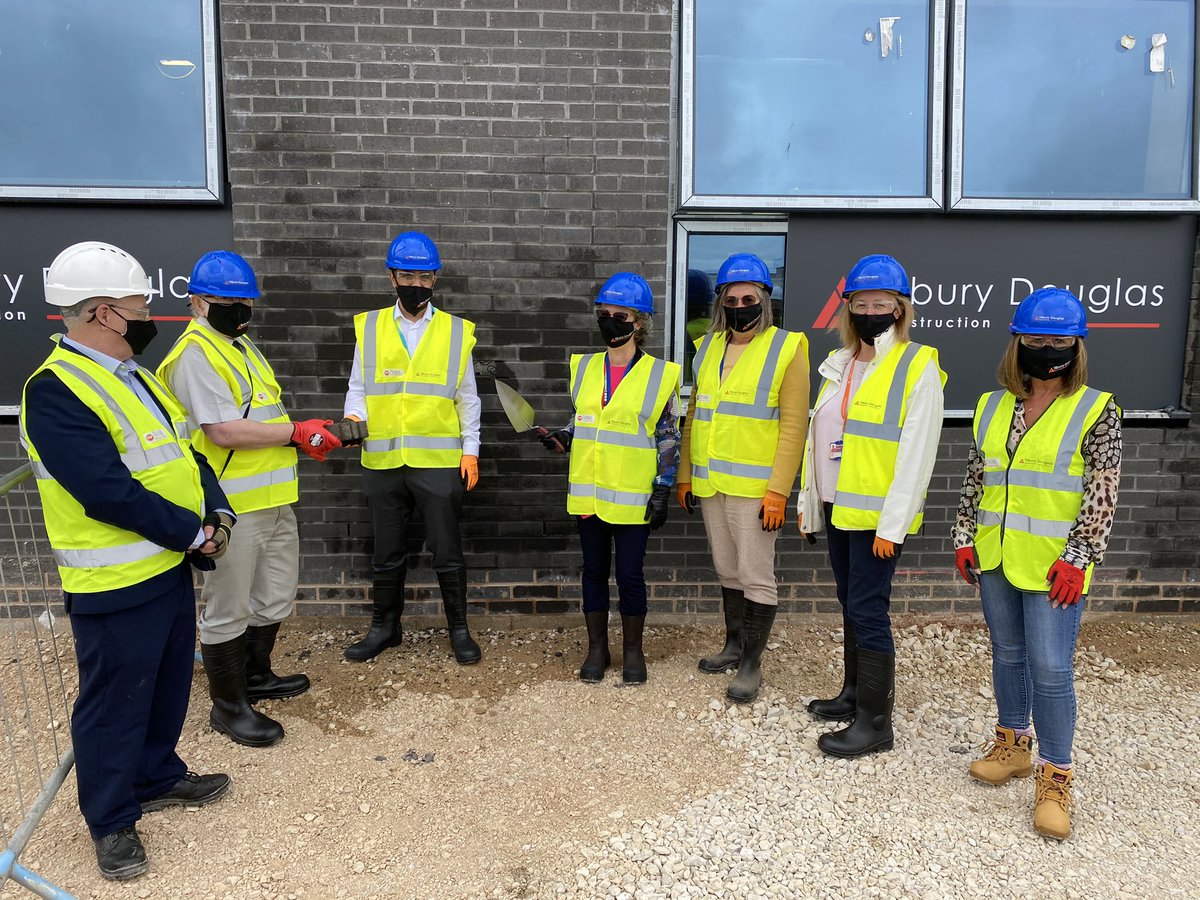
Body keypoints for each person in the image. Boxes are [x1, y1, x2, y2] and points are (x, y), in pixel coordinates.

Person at [20, 242, 232, 880]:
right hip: (114, 581)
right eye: (141, 305)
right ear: (107, 314)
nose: (150, 315)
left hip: (165, 567)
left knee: (165, 686)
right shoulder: (56, 392)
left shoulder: (136, 377)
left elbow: (185, 454)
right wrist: (192, 534)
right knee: (114, 703)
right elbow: (108, 491)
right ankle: (111, 821)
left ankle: (156, 775)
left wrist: (215, 512)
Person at [158, 250, 361, 747]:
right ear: (199, 303)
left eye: (246, 301)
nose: (241, 311)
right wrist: (296, 432)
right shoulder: (194, 356)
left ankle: (255, 676)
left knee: (273, 596)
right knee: (228, 606)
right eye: (229, 302)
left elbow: (263, 418)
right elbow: (222, 431)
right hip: (230, 508)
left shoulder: (241, 348)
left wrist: (303, 434)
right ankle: (228, 707)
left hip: (271, 499)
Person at [953, 287, 1121, 841]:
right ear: (1016, 342)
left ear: (1077, 346)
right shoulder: (993, 404)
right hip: (996, 555)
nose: (1046, 348)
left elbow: (1102, 491)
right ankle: (1012, 745)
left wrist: (1080, 557)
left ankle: (1055, 778)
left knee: (1051, 670)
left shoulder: (1097, 409)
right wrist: (964, 535)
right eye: (1034, 338)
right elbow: (978, 477)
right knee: (1007, 654)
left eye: (1058, 340)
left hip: (1056, 567)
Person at [797, 253, 945, 758]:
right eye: (861, 303)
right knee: (849, 601)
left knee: (868, 607)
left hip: (878, 517)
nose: (870, 310)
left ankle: (875, 724)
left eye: (881, 302)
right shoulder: (839, 363)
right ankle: (855, 694)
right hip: (839, 506)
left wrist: (894, 525)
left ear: (900, 309)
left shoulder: (917, 364)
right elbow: (821, 439)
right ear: (848, 309)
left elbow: (917, 454)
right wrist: (810, 503)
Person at [341, 232, 482, 665]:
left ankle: (459, 630)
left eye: (424, 276)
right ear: (391, 277)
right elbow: (358, 388)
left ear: (435, 280)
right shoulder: (370, 326)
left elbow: (468, 398)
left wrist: (471, 450)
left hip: (439, 463)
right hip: (382, 460)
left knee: (446, 551)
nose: (415, 283)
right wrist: (352, 418)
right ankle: (386, 627)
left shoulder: (457, 332)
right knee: (386, 551)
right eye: (407, 275)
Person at [677, 253, 809, 704]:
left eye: (748, 298)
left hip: (755, 490)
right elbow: (696, 413)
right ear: (720, 303)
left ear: (764, 301)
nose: (739, 306)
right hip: (712, 482)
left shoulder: (787, 348)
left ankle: (752, 662)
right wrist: (684, 475)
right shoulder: (710, 347)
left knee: (755, 575)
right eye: (731, 299)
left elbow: (794, 426)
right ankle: (733, 645)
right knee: (727, 569)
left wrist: (778, 492)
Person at [540, 273, 681, 684]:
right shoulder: (584, 367)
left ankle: (634, 651)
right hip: (589, 495)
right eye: (604, 314)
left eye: (620, 315)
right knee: (594, 571)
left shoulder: (660, 375)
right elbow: (582, 420)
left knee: (631, 575)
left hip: (635, 497)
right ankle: (597, 649)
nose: (610, 321)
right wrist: (563, 438)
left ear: (639, 323)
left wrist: (663, 489)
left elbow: (668, 435)